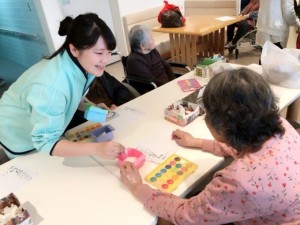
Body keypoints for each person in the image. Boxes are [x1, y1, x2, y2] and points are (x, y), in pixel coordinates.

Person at [120, 68, 300, 225]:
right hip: (281, 212)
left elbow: (185, 215)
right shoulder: (280, 125)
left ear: (222, 126)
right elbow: (244, 146)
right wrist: (197, 142)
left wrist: (138, 187)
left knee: (164, 216)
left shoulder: (239, 179)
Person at [0, 13, 125, 160]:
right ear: (74, 50)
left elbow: (73, 96)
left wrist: (93, 108)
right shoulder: (53, 87)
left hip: (40, 124)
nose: (105, 59)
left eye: (109, 52)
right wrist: (97, 149)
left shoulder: (82, 65)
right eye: (99, 53)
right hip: (17, 132)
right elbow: (45, 142)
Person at [66, 70, 135, 131]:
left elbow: (121, 89)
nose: (104, 60)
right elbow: (74, 113)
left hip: (115, 115)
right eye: (99, 54)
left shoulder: (100, 74)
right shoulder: (68, 85)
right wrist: (96, 114)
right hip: (93, 125)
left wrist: (117, 105)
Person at [126, 25, 176, 94]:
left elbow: (166, 65)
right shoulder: (135, 61)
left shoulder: (152, 50)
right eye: (151, 38)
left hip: (168, 85)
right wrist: (169, 86)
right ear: (142, 46)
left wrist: (174, 81)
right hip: (156, 91)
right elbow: (152, 81)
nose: (154, 39)